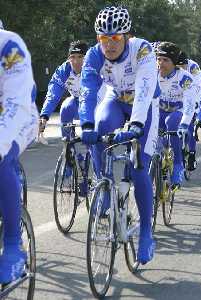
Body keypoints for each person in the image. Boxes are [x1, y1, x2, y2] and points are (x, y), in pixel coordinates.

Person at [79, 6, 160, 264]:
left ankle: (146, 233)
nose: (110, 44)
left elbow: (146, 87)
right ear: (97, 39)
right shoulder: (94, 56)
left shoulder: (143, 50)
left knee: (138, 169)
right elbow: (88, 90)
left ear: (127, 35)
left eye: (115, 38)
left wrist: (136, 123)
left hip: (145, 105)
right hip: (116, 99)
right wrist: (86, 125)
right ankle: (104, 187)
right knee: (100, 125)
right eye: (104, 38)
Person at [0, 27, 38, 283]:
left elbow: (16, 103)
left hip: (18, 117)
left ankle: (13, 244)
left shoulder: (9, 46)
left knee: (1, 160)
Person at [156, 42, 197, 186]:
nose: (161, 63)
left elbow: (190, 102)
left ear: (174, 63)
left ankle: (178, 165)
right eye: (159, 59)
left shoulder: (184, 77)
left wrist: (185, 123)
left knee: (171, 123)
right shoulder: (152, 73)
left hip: (177, 111)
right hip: (159, 111)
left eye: (165, 60)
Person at [39, 40, 88, 139]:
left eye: (80, 57)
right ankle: (68, 147)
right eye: (72, 57)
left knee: (92, 142)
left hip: (96, 104)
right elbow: (53, 94)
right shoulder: (64, 70)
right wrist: (44, 116)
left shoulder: (94, 67)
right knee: (66, 106)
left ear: (87, 58)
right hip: (77, 102)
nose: (76, 61)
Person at [177, 51, 201, 171]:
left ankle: (192, 154)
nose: (180, 69)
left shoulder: (193, 67)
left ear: (186, 63)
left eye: (182, 66)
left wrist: (194, 104)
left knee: (190, 126)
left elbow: (197, 87)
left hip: (193, 94)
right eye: (178, 66)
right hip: (177, 96)